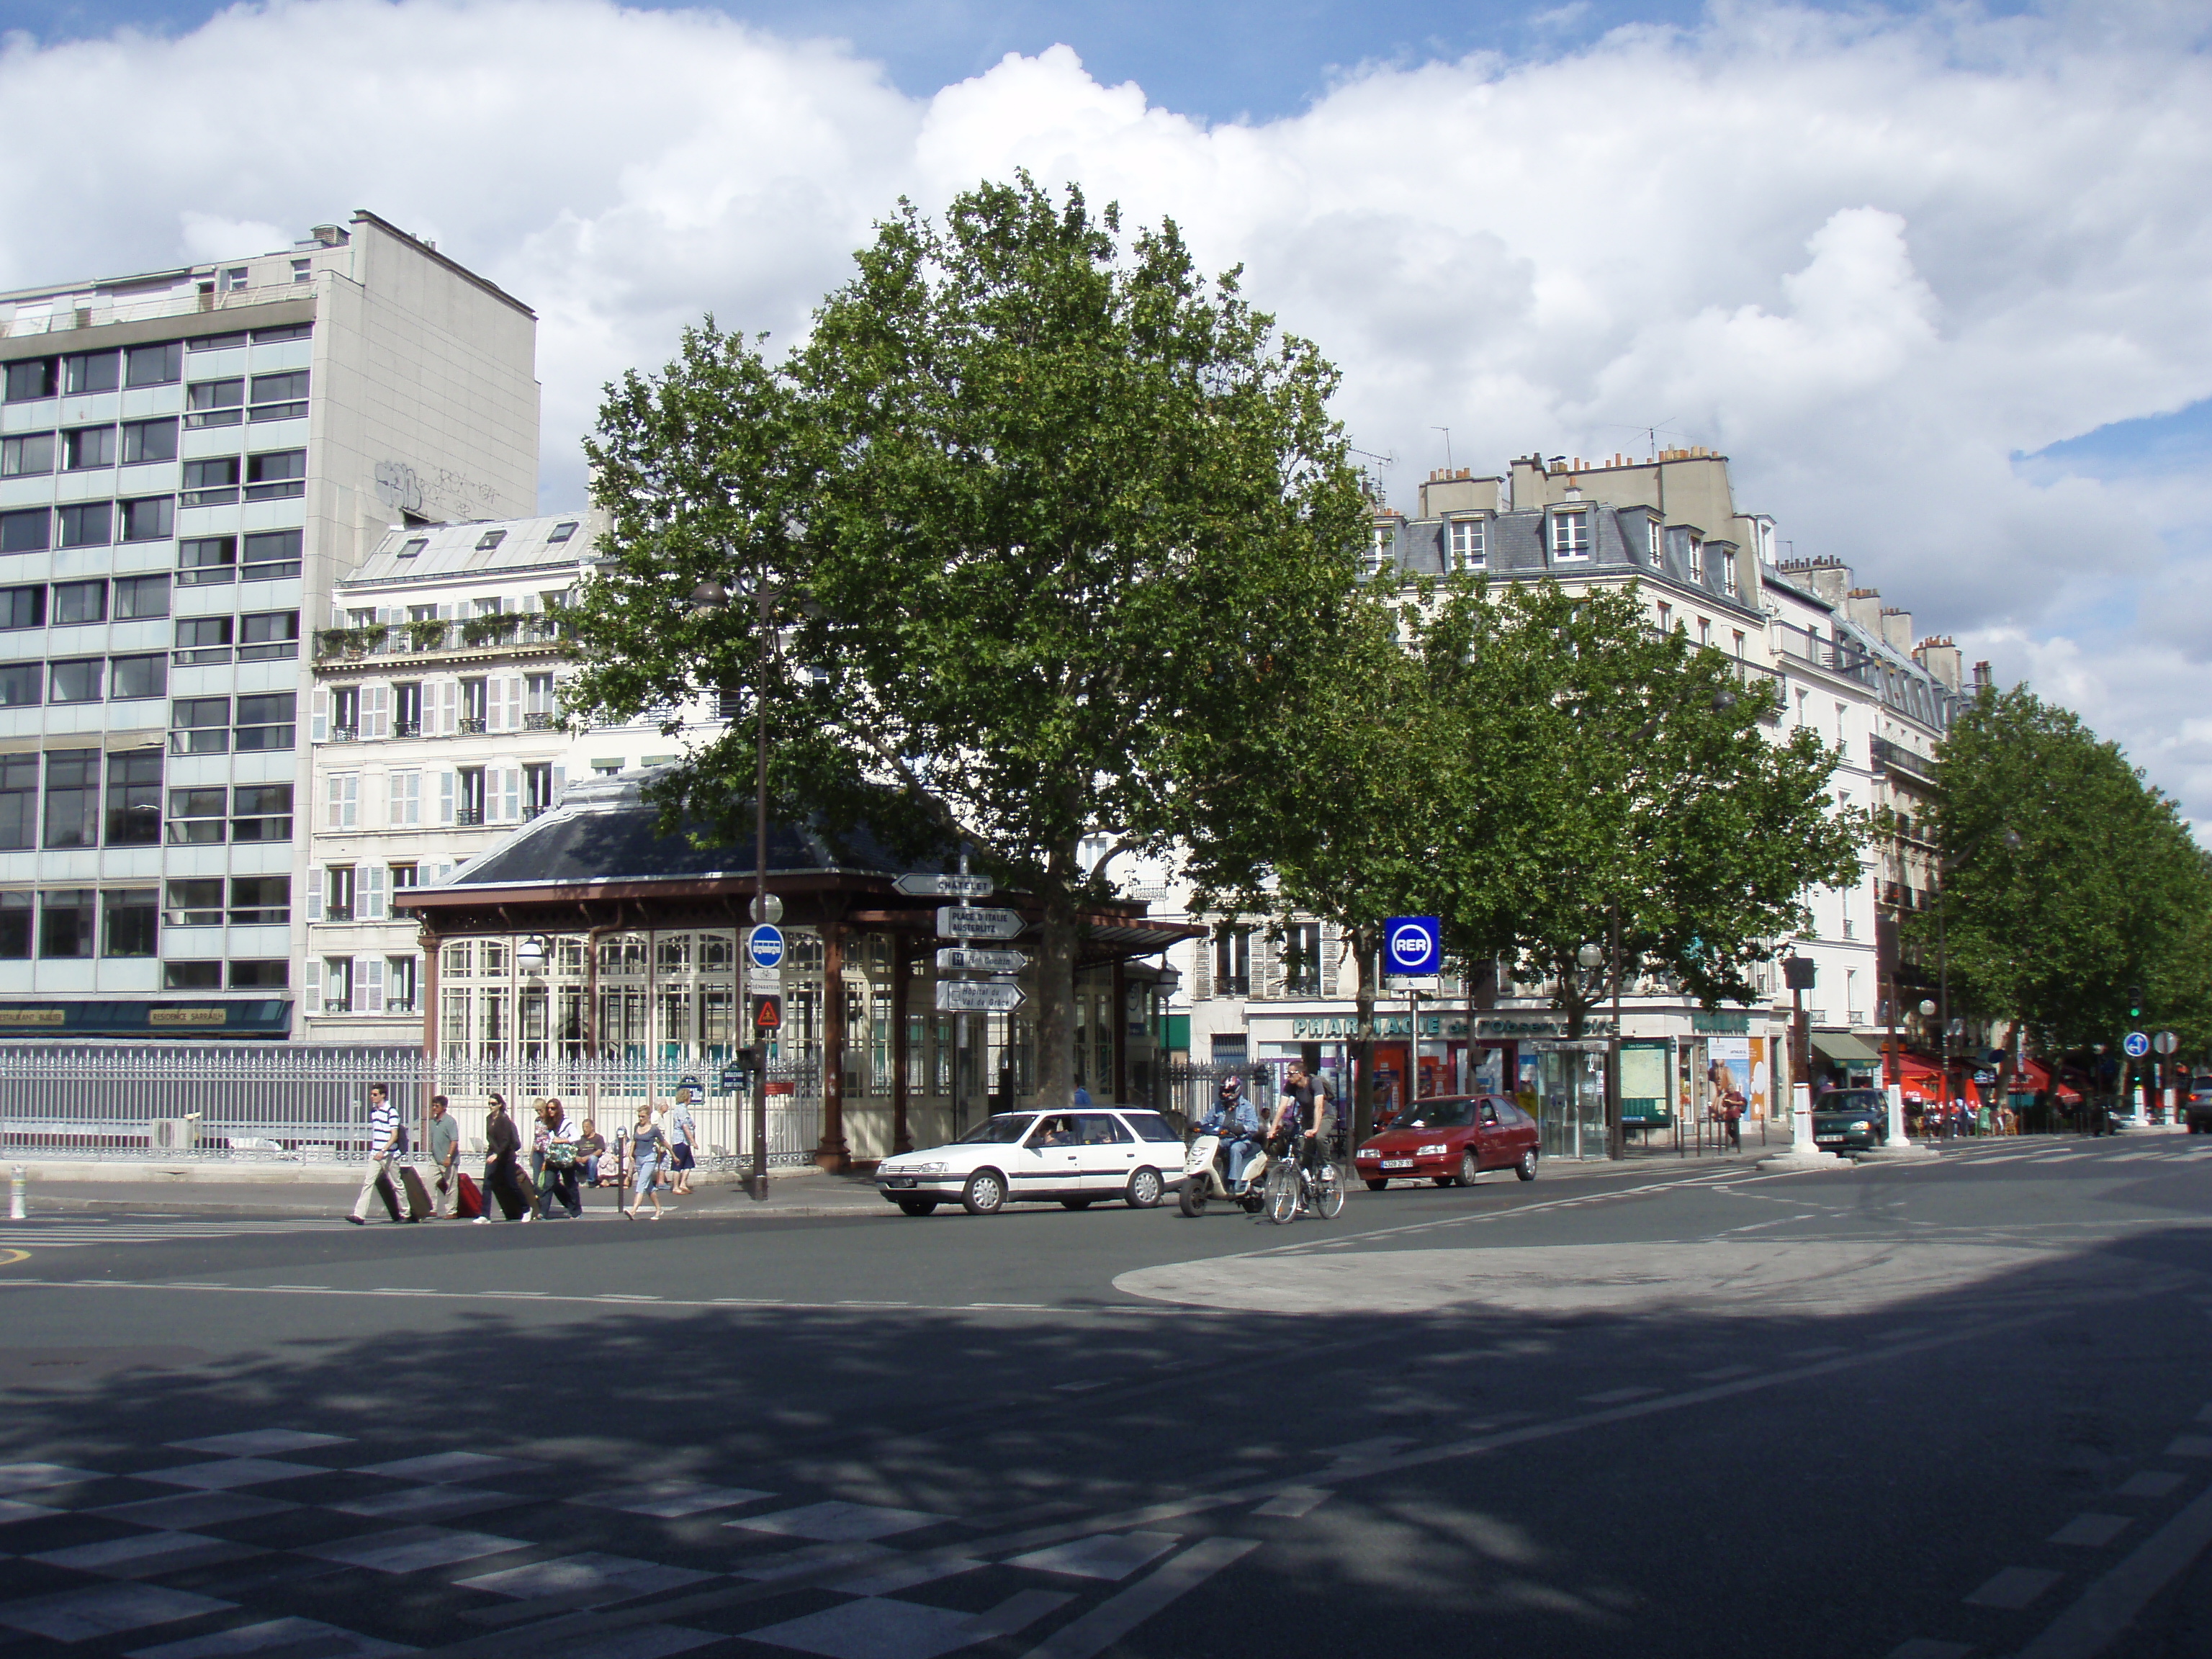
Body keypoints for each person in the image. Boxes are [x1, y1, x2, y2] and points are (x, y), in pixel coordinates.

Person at [346, 1083, 407, 1226]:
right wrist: (376, 1151)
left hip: (389, 1154)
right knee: (368, 1183)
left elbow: (394, 1135)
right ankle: (359, 1215)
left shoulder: (391, 1112)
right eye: (372, 1094)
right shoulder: (374, 1112)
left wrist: (383, 1151)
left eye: (375, 1094)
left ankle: (406, 1212)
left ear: (383, 1095)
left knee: (397, 1184)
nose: (372, 1097)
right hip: (376, 1154)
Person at [1200, 1075, 1261, 1192]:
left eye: (1228, 1092)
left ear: (1236, 1091)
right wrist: (1196, 1125)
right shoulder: (1217, 1106)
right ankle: (1204, 1177)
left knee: (1235, 1149)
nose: (1224, 1094)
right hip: (1220, 1140)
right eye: (1223, 1091)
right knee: (1206, 1148)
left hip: (1241, 1141)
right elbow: (1206, 1121)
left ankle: (1233, 1183)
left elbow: (1254, 1127)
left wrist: (1241, 1128)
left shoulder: (1247, 1107)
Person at [476, 1095, 526, 1224]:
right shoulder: (489, 1119)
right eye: (489, 1104)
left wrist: (497, 1154)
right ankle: (485, 1215)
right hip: (493, 1153)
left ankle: (526, 1209)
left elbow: (506, 1140)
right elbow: (490, 1136)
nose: (491, 1106)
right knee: (487, 1182)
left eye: (493, 1104)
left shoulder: (505, 1120)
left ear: (500, 1105)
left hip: (506, 1156)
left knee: (512, 1183)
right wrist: (492, 1152)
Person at [536, 1100, 583, 1219]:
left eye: (553, 1108)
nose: (550, 1111)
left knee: (570, 1184)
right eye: (549, 1108)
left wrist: (562, 1140)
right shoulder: (548, 1123)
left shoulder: (566, 1122)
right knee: (548, 1184)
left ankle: (576, 1212)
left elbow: (576, 1137)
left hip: (565, 1158)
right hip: (553, 1157)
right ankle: (543, 1212)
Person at [626, 1104, 668, 1219]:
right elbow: (634, 1140)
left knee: (640, 1185)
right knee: (648, 1186)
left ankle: (634, 1210)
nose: (640, 1119)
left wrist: (674, 1155)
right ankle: (659, 1209)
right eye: (639, 1116)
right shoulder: (637, 1127)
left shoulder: (654, 1129)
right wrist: (630, 1154)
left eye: (643, 1116)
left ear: (648, 1116)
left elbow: (663, 1142)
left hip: (649, 1158)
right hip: (639, 1158)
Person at [426, 1094, 461, 1218]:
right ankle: (432, 1208)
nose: (434, 1108)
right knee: (429, 1182)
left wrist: (449, 1156)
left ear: (444, 1107)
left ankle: (452, 1211)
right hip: (436, 1159)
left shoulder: (450, 1121)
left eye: (437, 1106)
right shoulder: (432, 1122)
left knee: (451, 1186)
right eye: (433, 1106)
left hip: (448, 1160)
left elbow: (454, 1140)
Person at [668, 1089, 699, 1196]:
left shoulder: (683, 1109)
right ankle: (676, 1187)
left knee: (688, 1164)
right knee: (678, 1164)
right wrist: (693, 1142)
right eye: (690, 1096)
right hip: (680, 1141)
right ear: (686, 1098)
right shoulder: (681, 1110)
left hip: (685, 1142)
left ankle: (683, 1184)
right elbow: (685, 1127)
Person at [577, 1119, 607, 1187]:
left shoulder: (598, 1138)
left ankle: (592, 1181)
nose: (585, 1129)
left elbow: (600, 1151)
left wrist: (587, 1158)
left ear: (592, 1128)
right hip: (581, 1162)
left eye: (587, 1127)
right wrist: (578, 1158)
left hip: (592, 1162)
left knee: (593, 1158)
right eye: (583, 1127)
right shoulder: (580, 1139)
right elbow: (575, 1151)